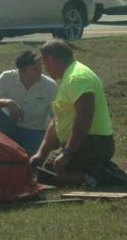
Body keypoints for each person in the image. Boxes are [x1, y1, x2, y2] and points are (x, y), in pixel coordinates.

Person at [30, 40, 115, 186]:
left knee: (46, 175)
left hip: (93, 142)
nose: (45, 69)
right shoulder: (69, 77)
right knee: (45, 170)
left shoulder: (76, 78)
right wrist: (41, 154)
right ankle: (98, 169)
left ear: (51, 59)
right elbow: (57, 121)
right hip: (87, 142)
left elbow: (85, 116)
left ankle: (95, 179)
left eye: (45, 64)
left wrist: (68, 152)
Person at [0, 51, 57, 155]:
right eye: (35, 69)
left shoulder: (50, 86)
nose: (40, 72)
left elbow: (57, 118)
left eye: (40, 68)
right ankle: (0, 150)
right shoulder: (7, 77)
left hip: (35, 131)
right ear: (22, 72)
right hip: (11, 127)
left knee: (29, 163)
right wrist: (8, 102)